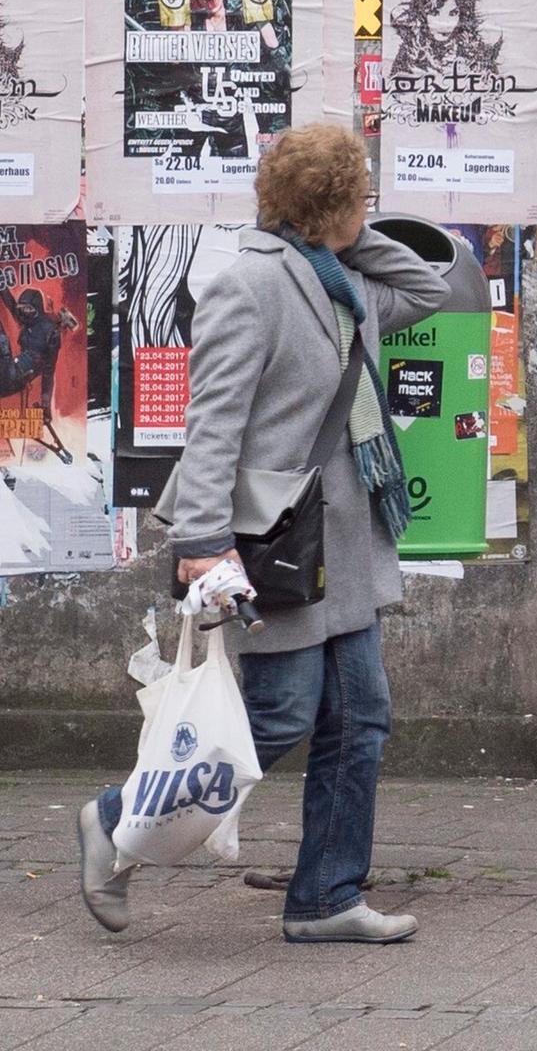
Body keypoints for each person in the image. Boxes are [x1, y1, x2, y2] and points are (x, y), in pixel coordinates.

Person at [77, 123, 449, 943]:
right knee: (276, 719)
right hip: (276, 546)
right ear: (335, 204)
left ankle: (325, 898)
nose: (371, 206)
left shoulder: (340, 281)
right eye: (361, 194)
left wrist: (351, 237)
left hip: (342, 544)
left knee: (360, 720)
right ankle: (114, 821)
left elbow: (425, 287)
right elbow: (212, 430)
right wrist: (203, 546)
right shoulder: (250, 287)